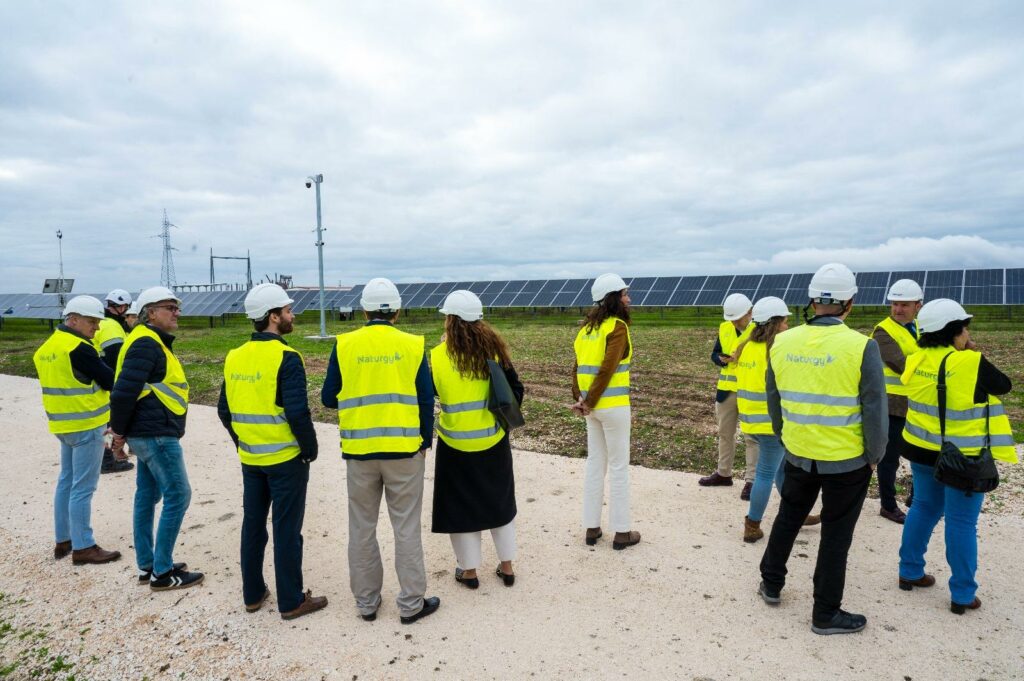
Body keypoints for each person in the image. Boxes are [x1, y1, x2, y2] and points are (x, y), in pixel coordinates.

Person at [757, 263, 887, 635]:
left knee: (788, 517)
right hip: (846, 460)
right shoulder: (862, 346)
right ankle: (825, 613)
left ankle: (770, 583)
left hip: (798, 452)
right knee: (836, 534)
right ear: (850, 302)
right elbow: (874, 408)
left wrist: (786, 437)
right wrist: (875, 455)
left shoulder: (783, 342)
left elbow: (774, 398)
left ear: (812, 301)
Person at [321, 278, 440, 624]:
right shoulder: (413, 345)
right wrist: (425, 442)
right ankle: (411, 604)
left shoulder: (344, 345)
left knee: (362, 528)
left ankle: (367, 603)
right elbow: (425, 399)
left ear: (364, 311)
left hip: (360, 453)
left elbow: (329, 398)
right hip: (404, 451)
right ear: (397, 312)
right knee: (406, 528)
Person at [897, 299, 1016, 615]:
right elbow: (1003, 385)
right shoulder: (969, 362)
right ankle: (962, 594)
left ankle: (909, 571)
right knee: (961, 521)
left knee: (924, 506)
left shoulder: (917, 357)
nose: (968, 333)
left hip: (921, 448)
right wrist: (973, 352)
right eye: (965, 328)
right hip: (962, 458)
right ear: (954, 330)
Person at [218, 284, 327, 620]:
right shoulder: (287, 357)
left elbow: (224, 410)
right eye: (288, 311)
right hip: (285, 460)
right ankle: (292, 601)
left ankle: (252, 595)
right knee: (286, 530)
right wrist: (309, 449)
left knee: (253, 526)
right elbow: (297, 412)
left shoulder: (234, 356)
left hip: (251, 459)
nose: (293, 315)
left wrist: (243, 443)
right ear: (273, 316)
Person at [110, 286, 204, 591]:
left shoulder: (146, 340)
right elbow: (123, 393)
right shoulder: (146, 344)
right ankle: (162, 573)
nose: (177, 313)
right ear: (150, 313)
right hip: (155, 434)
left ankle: (148, 564)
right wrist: (117, 435)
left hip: (148, 432)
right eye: (170, 308)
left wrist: (122, 433)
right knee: (178, 495)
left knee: (147, 496)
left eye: (177, 307)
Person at [431, 291, 523, 589]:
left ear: (450, 320)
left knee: (461, 508)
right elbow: (516, 392)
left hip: (454, 444)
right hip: (493, 441)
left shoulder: (436, 355)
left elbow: (433, 393)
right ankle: (507, 567)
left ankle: (469, 572)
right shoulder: (494, 351)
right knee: (500, 503)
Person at [33, 296, 121, 565]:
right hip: (87, 424)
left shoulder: (48, 346)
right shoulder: (79, 348)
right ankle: (84, 546)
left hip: (62, 425)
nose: (97, 327)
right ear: (73, 320)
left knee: (66, 481)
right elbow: (110, 380)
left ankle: (64, 539)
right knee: (83, 487)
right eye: (92, 321)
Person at [735, 297, 820, 543]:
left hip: (750, 420)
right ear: (774, 323)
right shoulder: (776, 349)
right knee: (765, 474)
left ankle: (797, 513)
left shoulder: (747, 346)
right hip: (770, 423)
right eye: (784, 321)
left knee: (781, 469)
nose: (786, 325)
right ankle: (752, 524)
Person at [571, 273, 641, 550]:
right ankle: (622, 532)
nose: (629, 299)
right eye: (624, 294)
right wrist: (589, 401)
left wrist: (580, 399)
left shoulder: (586, 330)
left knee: (595, 464)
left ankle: (592, 528)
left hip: (592, 410)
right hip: (612, 408)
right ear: (613, 298)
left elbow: (577, 369)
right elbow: (607, 369)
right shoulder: (617, 327)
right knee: (619, 467)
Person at [869, 279, 923, 523]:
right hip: (892, 405)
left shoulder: (920, 328)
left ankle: (916, 497)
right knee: (889, 459)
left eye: (904, 305)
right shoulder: (883, 332)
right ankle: (888, 505)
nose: (898, 309)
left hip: (916, 402)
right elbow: (901, 364)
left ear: (917, 306)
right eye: (895, 304)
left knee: (920, 452)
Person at [699, 293, 760, 500]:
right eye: (731, 319)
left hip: (750, 391)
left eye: (738, 318)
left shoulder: (760, 330)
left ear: (750, 313)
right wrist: (720, 359)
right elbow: (714, 353)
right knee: (725, 434)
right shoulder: (725, 328)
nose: (734, 322)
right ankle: (723, 473)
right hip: (726, 391)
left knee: (752, 437)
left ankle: (752, 481)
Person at [95, 289, 135, 474]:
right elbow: (115, 358)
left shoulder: (104, 322)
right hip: (109, 382)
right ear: (122, 307)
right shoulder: (111, 326)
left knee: (107, 421)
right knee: (110, 423)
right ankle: (107, 460)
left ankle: (108, 457)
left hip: (99, 381)